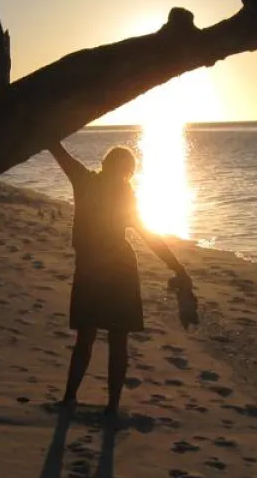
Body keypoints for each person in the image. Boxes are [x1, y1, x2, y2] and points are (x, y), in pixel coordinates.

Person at [48, 140, 192, 415]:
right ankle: (100, 404)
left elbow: (58, 151)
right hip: (113, 270)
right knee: (109, 338)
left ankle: (76, 400)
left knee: (95, 337)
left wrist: (176, 266)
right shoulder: (115, 191)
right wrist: (177, 267)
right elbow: (149, 235)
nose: (122, 176)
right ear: (124, 171)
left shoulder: (87, 182)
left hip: (100, 270)